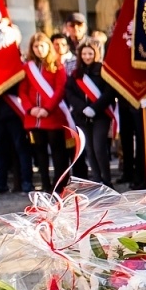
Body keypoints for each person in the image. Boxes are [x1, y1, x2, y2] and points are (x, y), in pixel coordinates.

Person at [19, 32, 69, 191]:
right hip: (34, 117)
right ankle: (45, 183)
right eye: (35, 46)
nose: (39, 49)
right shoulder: (27, 68)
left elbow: (60, 89)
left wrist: (47, 108)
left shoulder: (57, 66)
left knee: (57, 152)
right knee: (39, 152)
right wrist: (31, 109)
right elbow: (23, 91)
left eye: (42, 45)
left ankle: (59, 184)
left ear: (48, 46)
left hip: (52, 115)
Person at [63, 40, 113, 183]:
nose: (87, 56)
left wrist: (94, 108)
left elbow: (109, 93)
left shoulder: (104, 71)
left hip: (100, 115)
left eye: (90, 53)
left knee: (99, 148)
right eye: (84, 54)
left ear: (95, 54)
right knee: (89, 150)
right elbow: (69, 92)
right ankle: (97, 181)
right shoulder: (75, 74)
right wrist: (82, 108)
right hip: (81, 116)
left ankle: (107, 180)